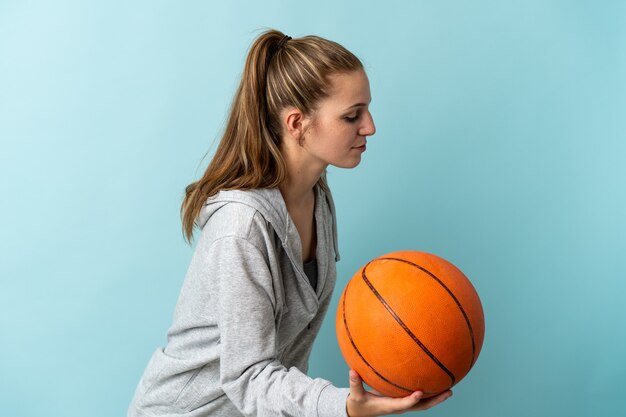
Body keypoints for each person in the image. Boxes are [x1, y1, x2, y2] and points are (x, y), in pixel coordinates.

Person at [127, 29, 453, 417]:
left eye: (366, 110)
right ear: (297, 123)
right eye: (352, 116)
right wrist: (343, 406)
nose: (370, 127)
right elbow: (248, 376)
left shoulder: (318, 198)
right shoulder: (241, 228)